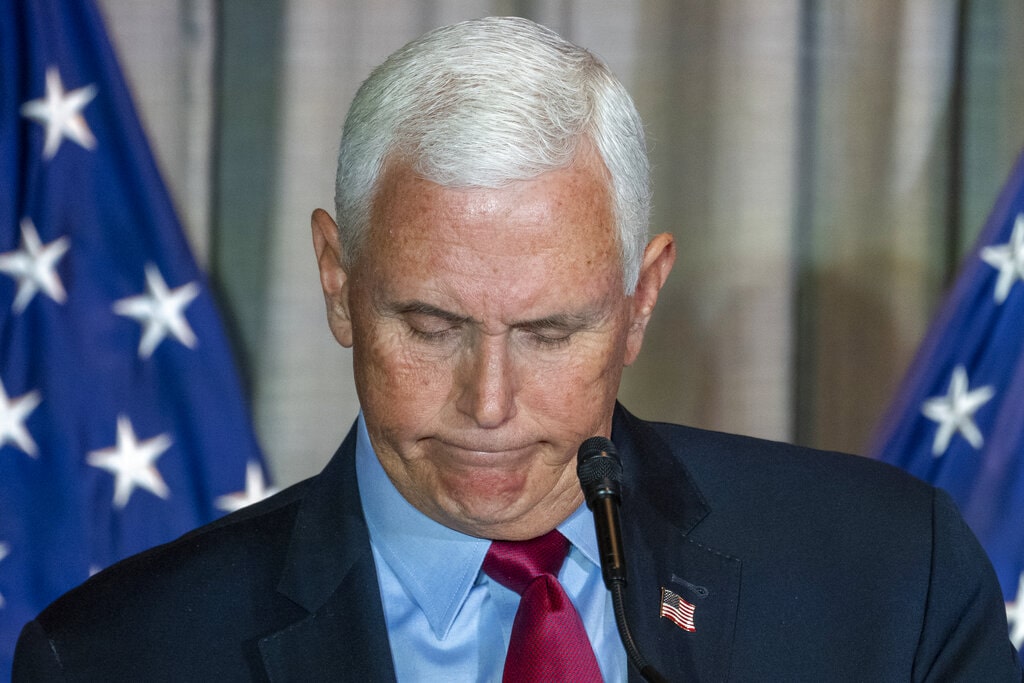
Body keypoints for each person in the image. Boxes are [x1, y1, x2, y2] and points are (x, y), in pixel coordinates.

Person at [12, 15, 1021, 682]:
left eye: (549, 330)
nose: (488, 403)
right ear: (337, 281)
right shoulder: (119, 655)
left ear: (640, 299)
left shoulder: (891, 581)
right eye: (430, 325)